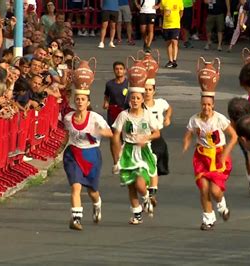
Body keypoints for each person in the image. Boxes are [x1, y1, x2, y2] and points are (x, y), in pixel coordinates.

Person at [111, 67, 160, 224]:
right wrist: (116, 159)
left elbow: (157, 133)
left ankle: (146, 196)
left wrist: (147, 137)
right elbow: (116, 136)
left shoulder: (147, 115)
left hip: (144, 151)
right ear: (129, 100)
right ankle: (137, 213)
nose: (135, 101)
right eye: (132, 98)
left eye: (138, 98)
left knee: (139, 181)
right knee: (130, 185)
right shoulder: (123, 116)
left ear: (142, 100)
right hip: (128, 151)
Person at [63, 81, 113, 231]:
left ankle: (97, 204)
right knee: (75, 187)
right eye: (77, 99)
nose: (79, 102)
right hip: (73, 154)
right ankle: (76, 219)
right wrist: (60, 147)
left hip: (91, 155)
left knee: (92, 191)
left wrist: (99, 132)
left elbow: (110, 133)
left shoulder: (95, 118)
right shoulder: (68, 118)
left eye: (83, 99)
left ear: (88, 102)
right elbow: (66, 134)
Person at [183, 92, 237, 230]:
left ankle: (222, 206)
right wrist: (186, 143)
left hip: (218, 157)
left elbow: (234, 136)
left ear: (213, 105)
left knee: (215, 191)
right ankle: (208, 219)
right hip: (202, 157)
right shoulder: (194, 119)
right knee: (204, 188)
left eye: (208, 105)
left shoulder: (219, 119)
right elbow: (188, 134)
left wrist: (225, 153)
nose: (206, 107)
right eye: (203, 104)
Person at [143, 78, 172, 208]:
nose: (147, 92)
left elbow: (169, 108)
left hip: (157, 137)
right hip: (142, 139)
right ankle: (147, 193)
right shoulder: (138, 104)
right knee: (144, 168)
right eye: (145, 90)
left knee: (153, 164)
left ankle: (151, 194)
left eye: (150, 90)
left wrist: (167, 117)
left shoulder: (160, 103)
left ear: (154, 91)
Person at [103, 61, 129, 126]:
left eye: (121, 69)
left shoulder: (129, 83)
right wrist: (106, 102)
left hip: (126, 111)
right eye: (116, 69)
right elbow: (106, 96)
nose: (119, 71)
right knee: (113, 131)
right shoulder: (109, 84)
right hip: (113, 112)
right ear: (114, 71)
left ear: (124, 71)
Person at [161, 0, 184, 68]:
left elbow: (181, 12)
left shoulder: (179, 1)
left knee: (174, 41)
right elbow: (162, 11)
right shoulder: (163, 1)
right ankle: (170, 61)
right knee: (168, 43)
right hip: (166, 25)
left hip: (175, 25)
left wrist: (177, 19)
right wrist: (166, 14)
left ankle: (174, 60)